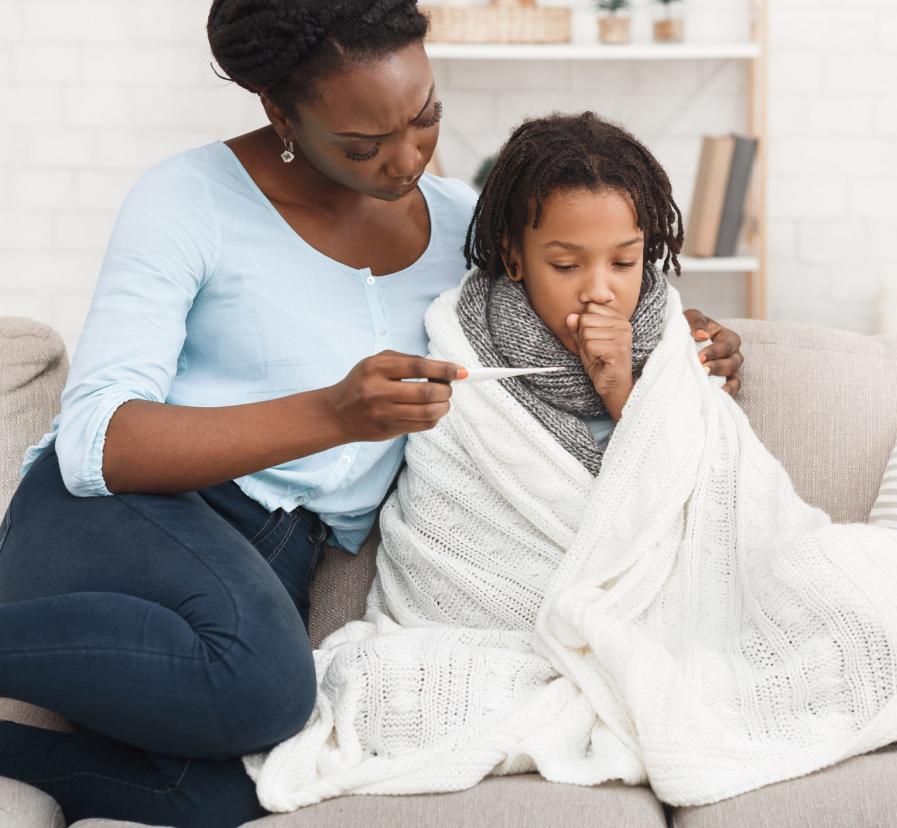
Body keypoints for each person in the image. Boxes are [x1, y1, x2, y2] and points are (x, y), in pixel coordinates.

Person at [0, 2, 744, 825]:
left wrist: (680, 339)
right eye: (362, 143)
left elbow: (579, 303)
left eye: (425, 117)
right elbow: (96, 442)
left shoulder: (467, 223)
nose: (406, 159)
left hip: (273, 562)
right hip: (122, 523)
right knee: (267, 687)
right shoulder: (188, 200)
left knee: (257, 789)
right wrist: (331, 413)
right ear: (280, 112)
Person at [241, 111, 897, 813]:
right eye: (567, 263)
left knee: (878, 574)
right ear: (512, 258)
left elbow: (716, 492)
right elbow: (455, 516)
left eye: (624, 261)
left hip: (680, 611)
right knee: (382, 679)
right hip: (511, 625)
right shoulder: (460, 348)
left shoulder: (676, 341)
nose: (601, 287)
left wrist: (627, 390)